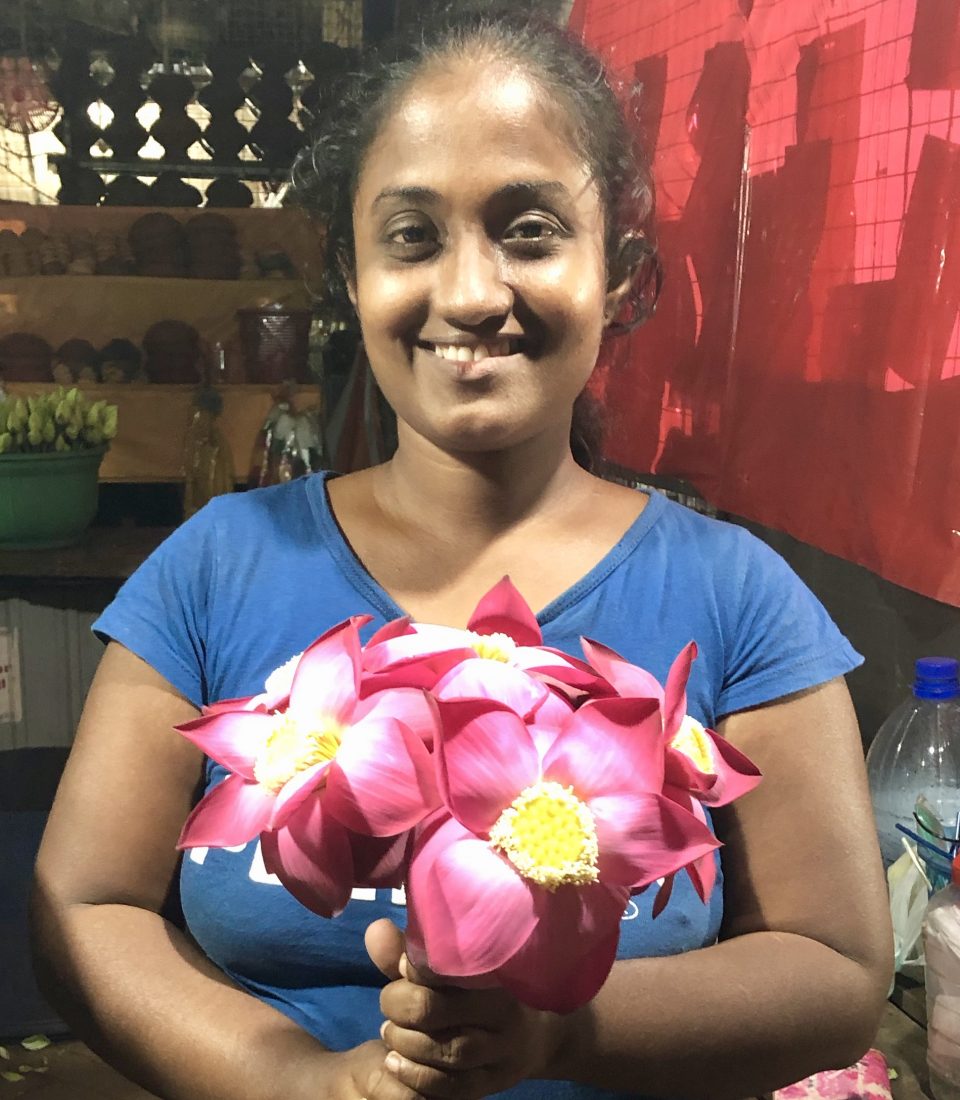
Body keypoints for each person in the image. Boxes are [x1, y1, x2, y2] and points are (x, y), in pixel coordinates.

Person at [31, 10, 893, 1100]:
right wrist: (309, 1083)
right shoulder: (216, 567)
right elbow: (83, 904)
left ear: (619, 275)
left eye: (529, 230)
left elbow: (838, 968)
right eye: (412, 236)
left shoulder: (735, 594)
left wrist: (560, 1029)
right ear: (349, 273)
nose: (472, 292)